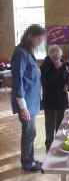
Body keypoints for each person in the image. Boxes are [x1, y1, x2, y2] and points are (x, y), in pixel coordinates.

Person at [11, 24, 45, 172]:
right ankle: (27, 163)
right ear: (30, 35)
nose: (40, 42)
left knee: (31, 132)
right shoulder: (20, 53)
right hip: (26, 103)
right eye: (39, 38)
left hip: (32, 101)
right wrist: (23, 107)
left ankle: (29, 159)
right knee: (29, 133)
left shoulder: (27, 51)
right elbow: (18, 81)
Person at [41, 45, 69, 152]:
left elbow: (68, 78)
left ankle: (59, 146)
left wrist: (67, 85)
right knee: (49, 126)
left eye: (58, 57)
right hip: (49, 100)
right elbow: (47, 82)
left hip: (61, 100)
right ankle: (49, 148)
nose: (56, 59)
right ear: (49, 56)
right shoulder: (45, 66)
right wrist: (57, 68)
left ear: (60, 55)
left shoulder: (63, 65)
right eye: (54, 57)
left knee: (60, 124)